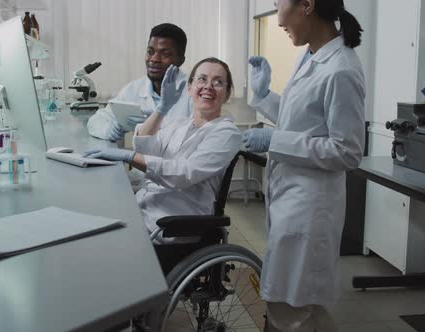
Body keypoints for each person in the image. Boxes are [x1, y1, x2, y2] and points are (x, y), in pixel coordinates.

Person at [243, 0, 366, 330]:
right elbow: (301, 122)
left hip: (311, 208)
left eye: (278, 2)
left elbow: (348, 151)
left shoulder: (341, 68)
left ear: (307, 5)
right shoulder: (312, 54)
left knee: (291, 308)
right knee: (294, 306)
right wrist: (265, 95)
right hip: (292, 199)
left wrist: (274, 142)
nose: (276, 13)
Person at [84, 58, 241, 243]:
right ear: (189, 88)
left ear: (227, 93)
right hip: (147, 210)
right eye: (202, 79)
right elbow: (145, 147)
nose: (208, 86)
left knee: (99, 242)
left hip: (174, 222)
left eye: (218, 82)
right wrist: (162, 108)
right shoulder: (181, 125)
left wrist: (129, 156)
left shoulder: (227, 133)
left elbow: (184, 173)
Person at [86, 23, 192, 142]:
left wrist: (154, 124)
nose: (154, 59)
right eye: (150, 51)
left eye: (165, 54)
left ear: (180, 60)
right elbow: (96, 120)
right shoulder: (135, 88)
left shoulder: (194, 91)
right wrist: (110, 131)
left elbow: (201, 135)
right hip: (141, 159)